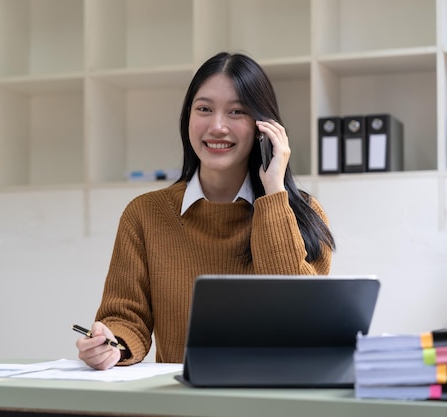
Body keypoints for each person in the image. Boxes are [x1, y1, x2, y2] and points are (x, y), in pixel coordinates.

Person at [75, 52, 336, 370]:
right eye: (204, 109)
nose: (217, 126)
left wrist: (274, 194)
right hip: (182, 402)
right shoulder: (145, 214)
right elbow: (126, 317)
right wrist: (111, 344)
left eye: (237, 111)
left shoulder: (301, 212)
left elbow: (301, 318)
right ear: (188, 118)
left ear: (264, 128)